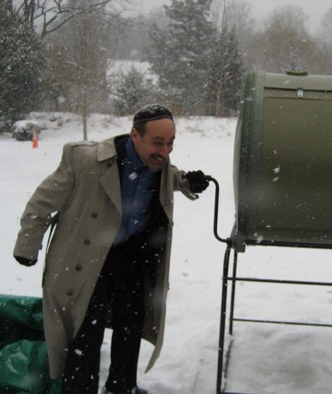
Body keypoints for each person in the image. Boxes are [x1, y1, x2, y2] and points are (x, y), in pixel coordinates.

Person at [13, 104, 210, 394]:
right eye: (158, 142)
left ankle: (122, 387)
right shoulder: (84, 160)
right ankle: (80, 389)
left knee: (130, 326)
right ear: (134, 135)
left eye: (170, 143)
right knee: (85, 332)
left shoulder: (159, 163)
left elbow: (168, 173)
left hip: (130, 257)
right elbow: (41, 204)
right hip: (87, 259)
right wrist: (27, 246)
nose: (166, 151)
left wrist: (186, 181)